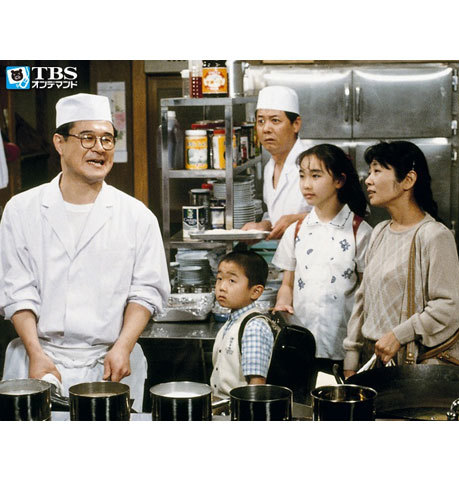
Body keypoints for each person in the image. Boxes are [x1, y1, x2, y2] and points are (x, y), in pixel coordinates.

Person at [0, 93, 170, 411]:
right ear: (60, 143)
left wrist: (124, 346)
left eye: (107, 139)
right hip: (38, 359)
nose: (100, 148)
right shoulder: (21, 210)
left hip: (111, 360)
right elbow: (17, 290)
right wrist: (35, 353)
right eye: (87, 137)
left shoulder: (136, 215)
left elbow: (147, 291)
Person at [343, 141, 459, 378]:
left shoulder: (434, 235)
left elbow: (452, 305)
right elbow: (363, 298)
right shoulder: (379, 232)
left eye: (377, 171)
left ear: (408, 180)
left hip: (410, 365)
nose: (368, 180)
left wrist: (399, 335)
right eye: (369, 172)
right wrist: (351, 357)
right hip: (372, 360)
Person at [272, 144, 372, 376]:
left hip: (344, 348)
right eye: (302, 176)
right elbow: (287, 285)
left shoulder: (360, 232)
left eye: (316, 176)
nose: (306, 184)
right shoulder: (296, 230)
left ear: (339, 180)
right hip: (300, 347)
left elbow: (366, 293)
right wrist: (282, 304)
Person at [242, 85, 311, 240]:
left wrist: (299, 220)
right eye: (260, 121)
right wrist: (264, 225)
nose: (266, 129)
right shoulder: (269, 168)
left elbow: (340, 215)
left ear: (296, 124)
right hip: (284, 252)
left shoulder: (314, 164)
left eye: (275, 120)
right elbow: (275, 214)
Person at [210, 250, 274, 398]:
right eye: (219, 278)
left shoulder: (254, 327)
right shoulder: (233, 321)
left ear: (255, 292)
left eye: (231, 281)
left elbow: (257, 384)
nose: (221, 287)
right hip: (221, 404)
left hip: (239, 407)